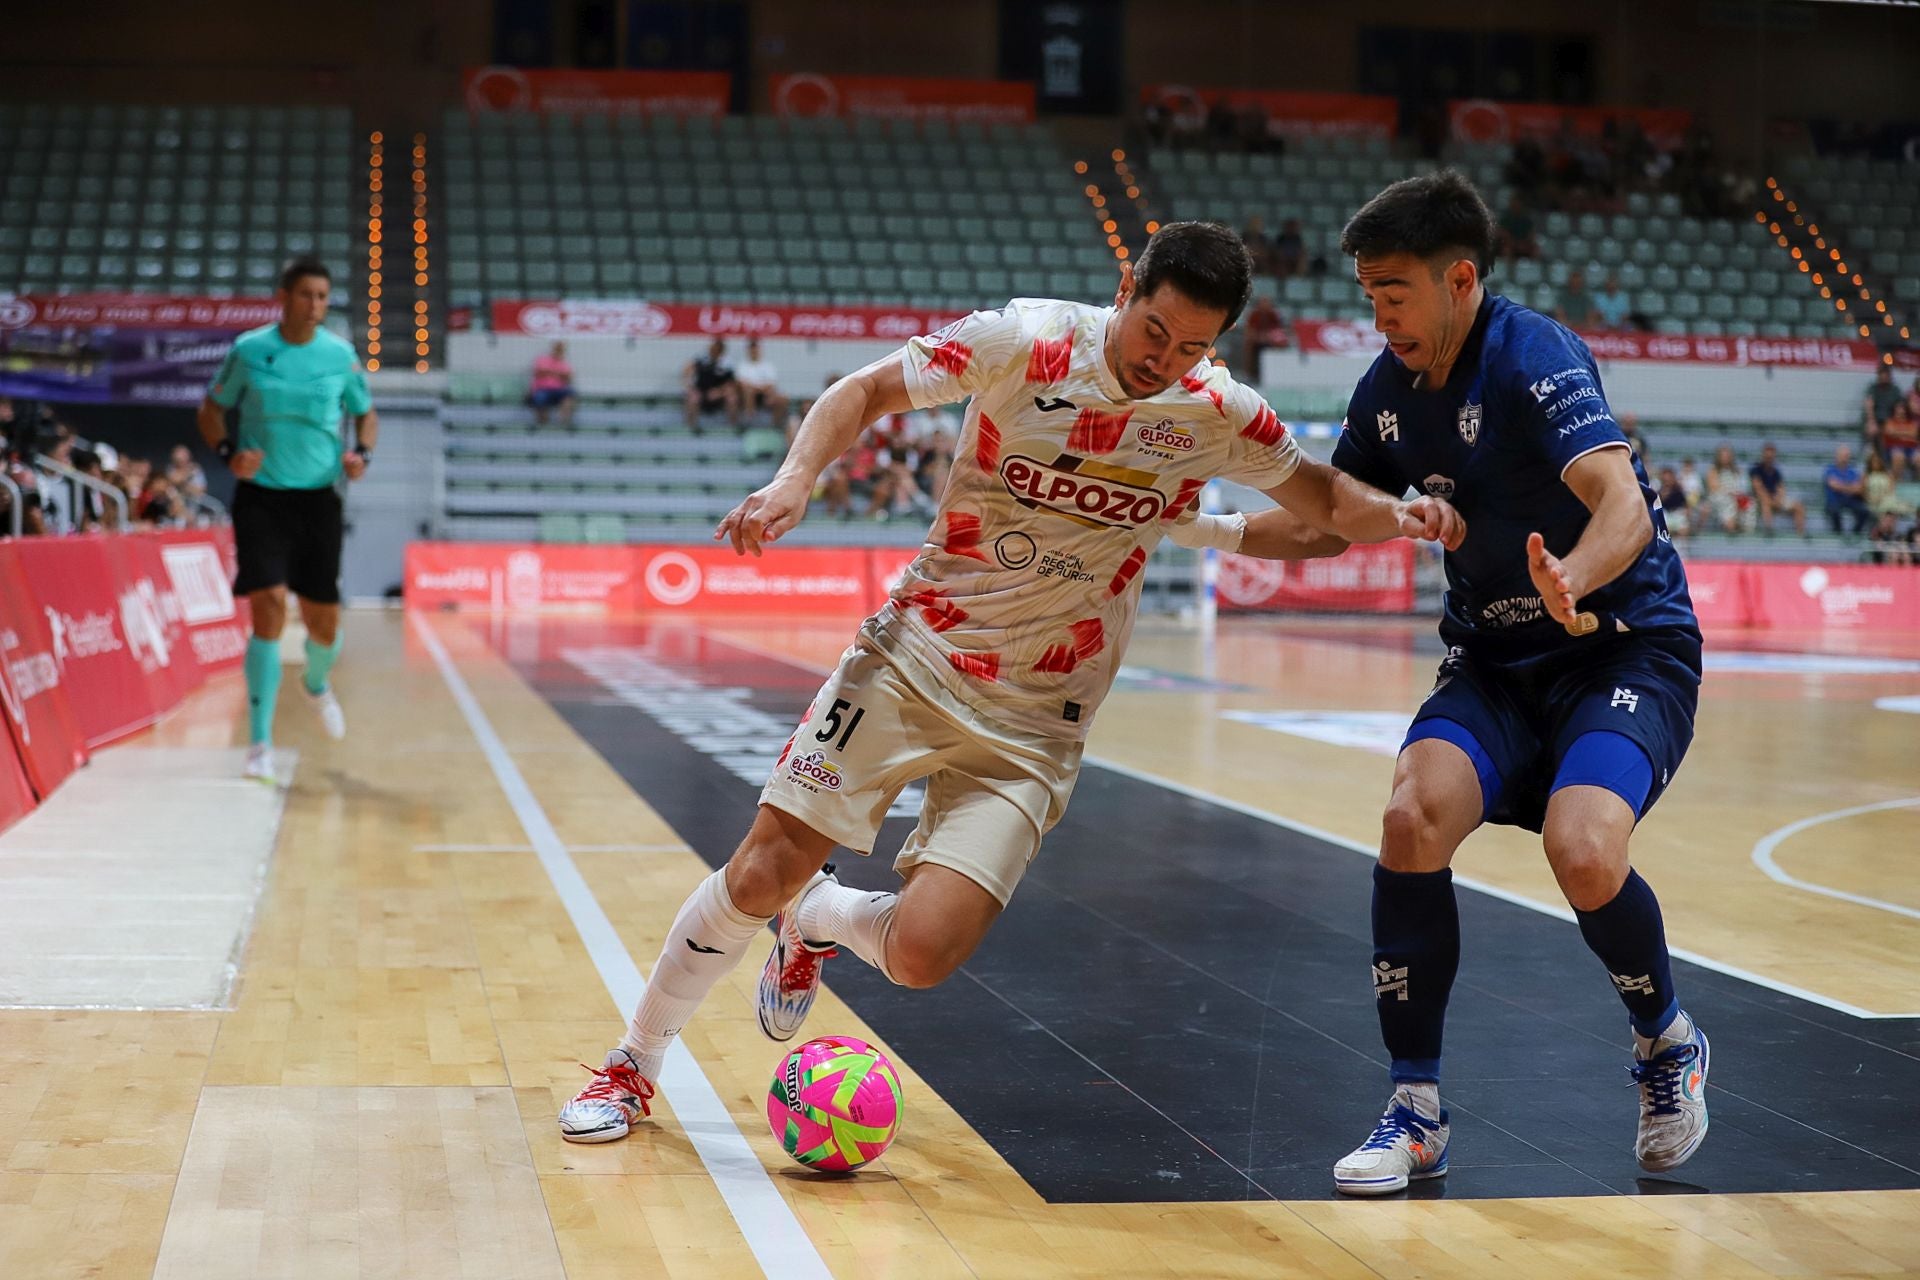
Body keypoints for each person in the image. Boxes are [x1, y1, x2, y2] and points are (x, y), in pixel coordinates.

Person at [554, 221, 1465, 1146]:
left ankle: (821, 916)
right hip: (914, 659)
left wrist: (1405, 516)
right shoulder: (1025, 342)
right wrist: (796, 480)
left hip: (1038, 722)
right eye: (1156, 331)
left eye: (1194, 345)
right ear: (1126, 287)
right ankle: (636, 1061)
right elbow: (864, 390)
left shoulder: (1218, 410)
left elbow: (1322, 501)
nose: (1166, 360)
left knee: (920, 955)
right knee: (760, 868)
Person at [1194, 171, 1709, 1195]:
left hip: (1619, 647)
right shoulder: (1385, 392)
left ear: (1460, 279)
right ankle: (1416, 1106)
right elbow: (1324, 520)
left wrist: (1574, 574)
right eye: (1367, 291)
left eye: (1393, 290)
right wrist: (1196, 524)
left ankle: (1666, 1040)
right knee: (1408, 815)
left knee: (1584, 846)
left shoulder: (1534, 355)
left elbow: (1623, 506)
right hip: (1494, 665)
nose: (1376, 312)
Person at [197, 257, 376, 784]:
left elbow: (366, 412)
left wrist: (362, 453)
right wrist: (229, 450)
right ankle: (259, 742)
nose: (315, 305)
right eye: (306, 295)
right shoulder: (249, 351)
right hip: (262, 498)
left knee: (324, 625)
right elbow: (211, 409)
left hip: (319, 501)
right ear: (284, 296)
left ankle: (317, 685)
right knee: (269, 606)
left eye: (323, 296)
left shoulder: (340, 356)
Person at [1747, 442, 1806, 535]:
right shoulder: (1755, 469)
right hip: (1760, 500)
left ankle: (1800, 534)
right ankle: (1769, 531)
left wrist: (1778, 499)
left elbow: (1781, 488)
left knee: (1798, 506)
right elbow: (1758, 489)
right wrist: (1770, 501)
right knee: (1765, 504)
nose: (1769, 458)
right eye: (1767, 456)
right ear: (1763, 455)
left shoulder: (1776, 472)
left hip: (1775, 499)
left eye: (1771, 456)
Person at [683, 338, 740, 431]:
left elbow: (732, 384)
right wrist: (689, 386)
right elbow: (687, 370)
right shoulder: (702, 360)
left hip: (718, 393)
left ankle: (732, 427)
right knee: (692, 397)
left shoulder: (727, 364)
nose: (712, 351)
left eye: (715, 350)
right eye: (711, 349)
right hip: (701, 391)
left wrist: (719, 392)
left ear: (721, 351)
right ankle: (690, 427)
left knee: (732, 398)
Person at [1822, 443, 1872, 535]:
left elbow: (1858, 489)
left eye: (1846, 456)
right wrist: (1849, 487)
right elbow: (1833, 485)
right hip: (1835, 500)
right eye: (1842, 455)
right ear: (1836, 456)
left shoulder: (1852, 471)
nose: (1844, 458)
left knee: (1865, 511)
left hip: (1850, 500)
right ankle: (1838, 534)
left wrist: (1842, 486)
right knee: (1834, 511)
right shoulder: (1830, 469)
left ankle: (1855, 534)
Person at [736, 337, 786, 429]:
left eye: (755, 349)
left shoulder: (767, 366)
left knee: (782, 398)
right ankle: (749, 421)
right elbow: (741, 383)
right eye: (752, 350)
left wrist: (758, 389)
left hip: (764, 394)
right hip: (747, 395)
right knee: (749, 391)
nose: (754, 351)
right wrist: (757, 388)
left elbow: (771, 384)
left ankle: (775, 425)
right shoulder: (743, 365)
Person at [528, 341, 577, 425]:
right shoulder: (542, 359)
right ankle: (543, 422)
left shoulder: (564, 363)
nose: (559, 351)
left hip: (559, 390)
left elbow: (569, 378)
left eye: (561, 349)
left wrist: (551, 372)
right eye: (557, 348)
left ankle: (563, 421)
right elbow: (539, 372)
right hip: (542, 389)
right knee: (540, 399)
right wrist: (558, 374)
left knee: (570, 395)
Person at [1704, 444, 1745, 534]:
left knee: (1747, 503)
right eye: (1723, 456)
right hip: (1717, 497)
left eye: (1727, 456)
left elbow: (1741, 486)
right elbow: (1712, 487)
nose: (1725, 458)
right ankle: (1729, 525)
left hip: (1734, 496)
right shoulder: (1713, 470)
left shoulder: (1736, 471)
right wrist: (1729, 491)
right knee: (1728, 502)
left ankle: (1743, 528)